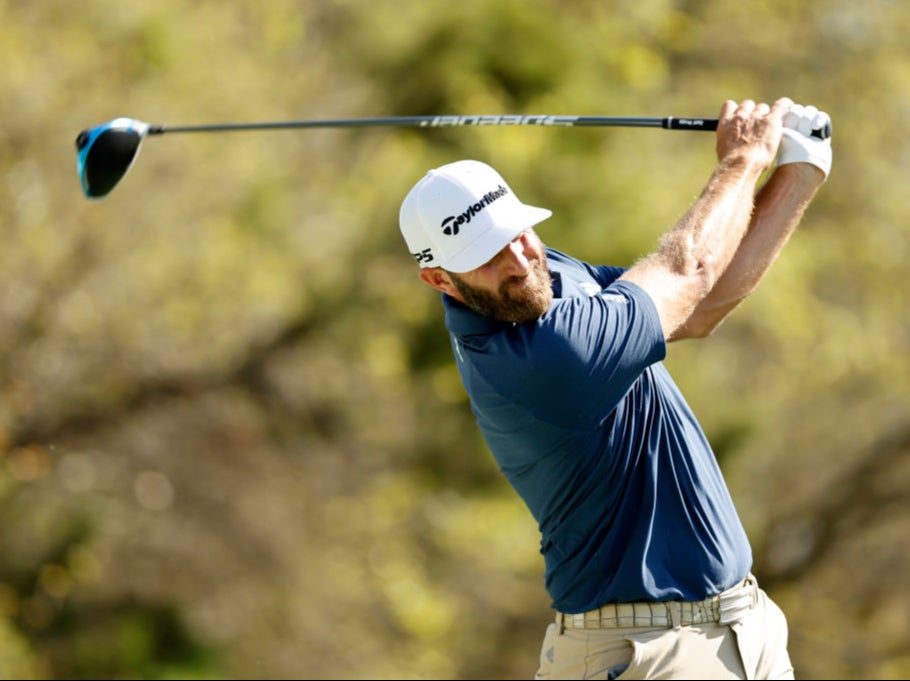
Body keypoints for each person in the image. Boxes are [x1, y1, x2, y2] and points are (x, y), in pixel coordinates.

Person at [398, 97, 831, 680]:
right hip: (643, 653)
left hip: (742, 630)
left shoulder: (551, 277)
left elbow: (697, 307)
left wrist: (802, 167)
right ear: (437, 279)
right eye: (484, 255)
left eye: (516, 233)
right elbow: (687, 271)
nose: (518, 260)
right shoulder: (541, 359)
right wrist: (742, 161)